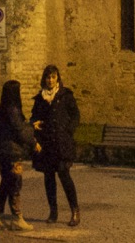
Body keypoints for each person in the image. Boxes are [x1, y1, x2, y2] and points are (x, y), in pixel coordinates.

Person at [31, 64, 81, 227]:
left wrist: (68, 130)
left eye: (53, 77)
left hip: (61, 143)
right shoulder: (40, 99)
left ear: (57, 78)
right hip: (46, 144)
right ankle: (53, 211)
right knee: (49, 178)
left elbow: (75, 115)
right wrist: (34, 124)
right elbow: (34, 118)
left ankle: (75, 210)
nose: (50, 80)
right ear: (44, 79)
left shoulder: (65, 95)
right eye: (48, 77)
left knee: (64, 175)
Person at [0, 79, 35, 232]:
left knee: (5, 183)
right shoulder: (13, 110)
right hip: (13, 153)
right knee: (15, 184)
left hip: (2, 152)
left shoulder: (2, 110)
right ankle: (17, 218)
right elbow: (20, 131)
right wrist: (33, 139)